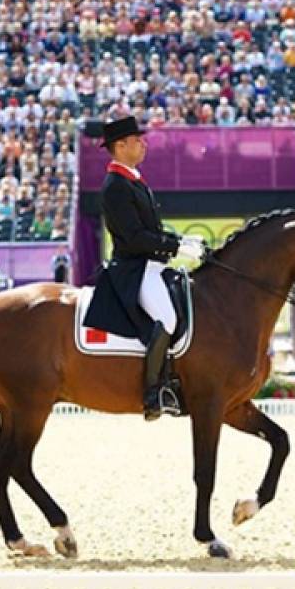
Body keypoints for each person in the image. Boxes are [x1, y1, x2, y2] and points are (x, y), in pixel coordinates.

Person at [82, 116, 205, 421]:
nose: (144, 143)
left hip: (152, 265)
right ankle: (152, 394)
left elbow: (149, 230)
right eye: (138, 140)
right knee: (167, 317)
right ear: (120, 146)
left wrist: (179, 241)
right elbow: (135, 238)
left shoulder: (134, 179)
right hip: (134, 269)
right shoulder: (115, 186)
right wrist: (177, 247)